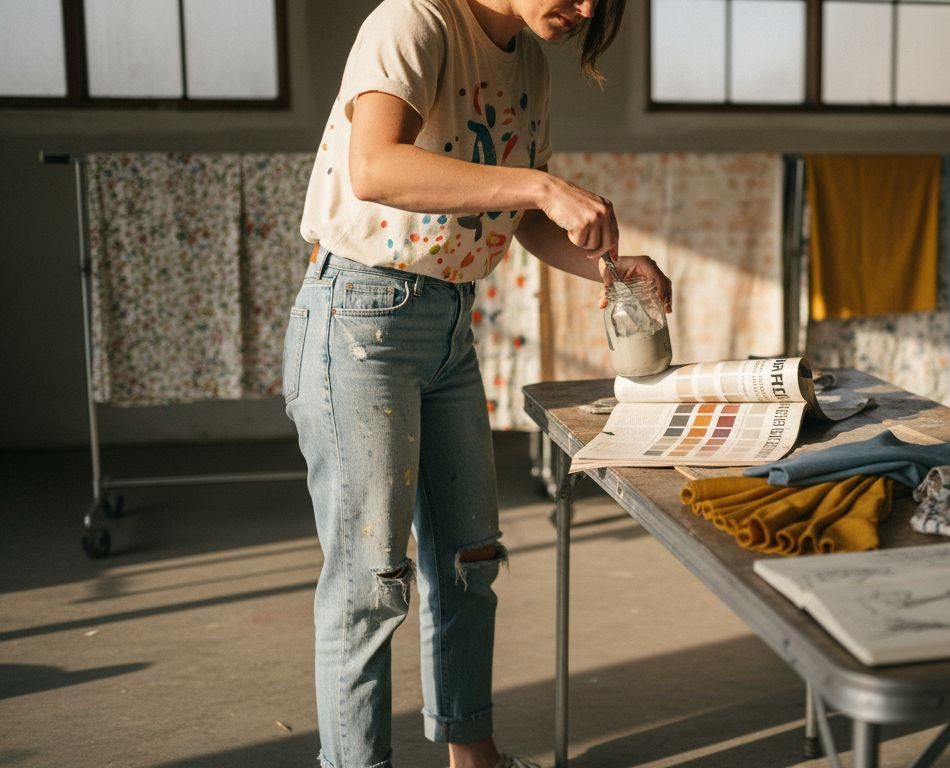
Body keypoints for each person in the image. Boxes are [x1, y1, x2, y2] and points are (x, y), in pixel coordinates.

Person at [283, 1, 669, 767]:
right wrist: (537, 184)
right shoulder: (415, 22)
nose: (589, 8)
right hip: (361, 317)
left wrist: (610, 265)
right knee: (369, 584)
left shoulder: (524, 59)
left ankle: (475, 758)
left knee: (469, 562)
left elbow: (514, 217)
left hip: (449, 322)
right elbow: (375, 166)